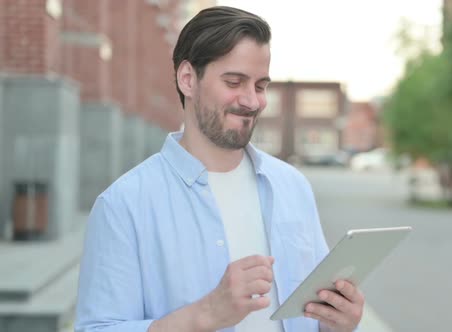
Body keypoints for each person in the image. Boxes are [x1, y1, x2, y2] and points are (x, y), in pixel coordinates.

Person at [75, 6, 364, 332]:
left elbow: (312, 314)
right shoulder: (123, 205)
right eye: (234, 81)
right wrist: (205, 315)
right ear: (188, 79)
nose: (252, 101)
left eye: (260, 85)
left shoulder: (293, 186)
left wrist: (336, 323)